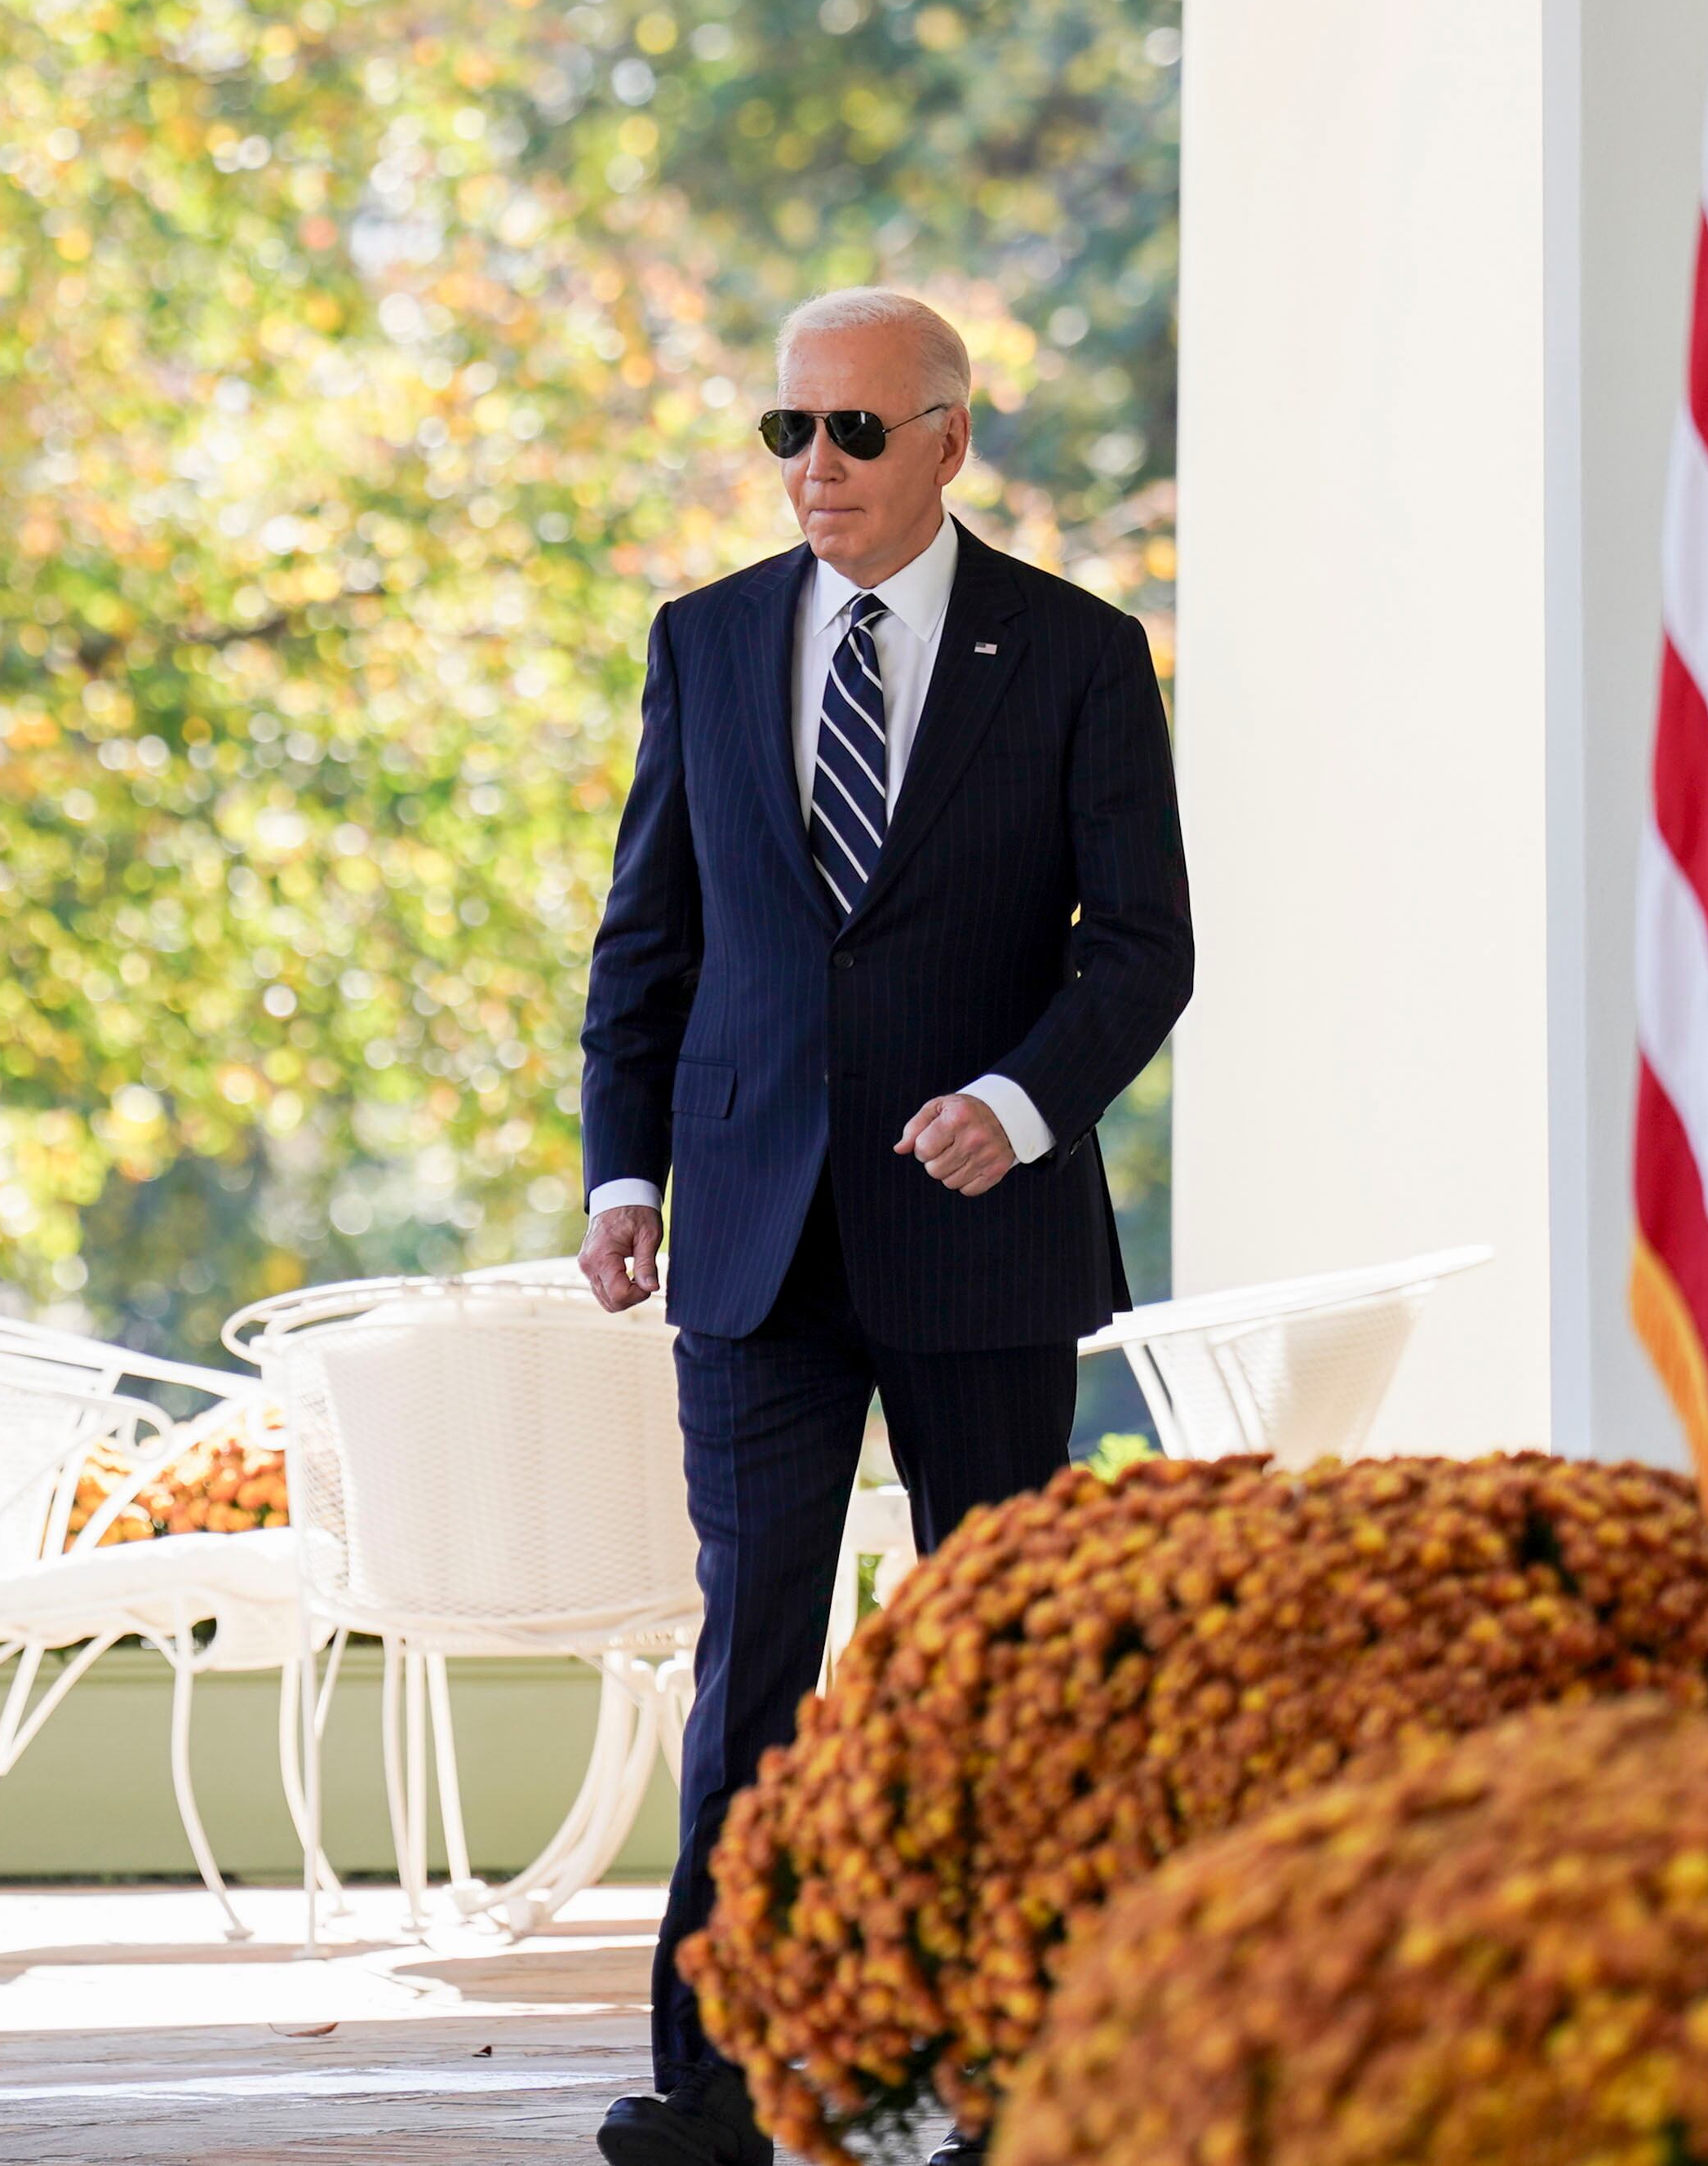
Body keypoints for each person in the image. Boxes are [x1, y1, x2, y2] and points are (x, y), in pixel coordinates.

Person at [579, 288, 1193, 2166]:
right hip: (752, 1239)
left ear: (948, 437)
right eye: (788, 434)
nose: (815, 470)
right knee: (749, 1652)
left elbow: (1142, 950)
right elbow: (649, 939)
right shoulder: (702, 643)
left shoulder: (1080, 654)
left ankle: (1007, 2069)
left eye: (853, 433)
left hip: (980, 1240)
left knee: (985, 1653)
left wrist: (1014, 1109)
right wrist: (621, 1174)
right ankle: (716, 2084)